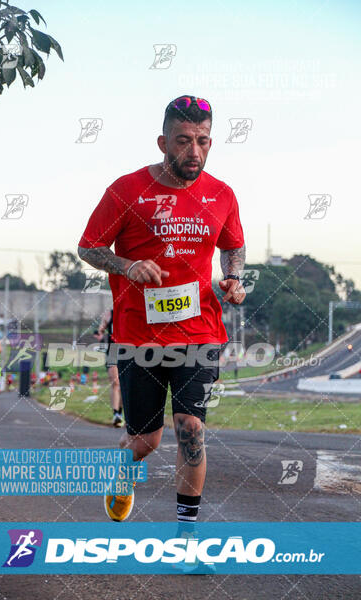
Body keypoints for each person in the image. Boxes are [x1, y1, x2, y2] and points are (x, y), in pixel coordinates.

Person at [78, 95, 246, 523]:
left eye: (203, 141)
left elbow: (234, 246)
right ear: (162, 142)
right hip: (138, 334)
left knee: (191, 429)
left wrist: (233, 276)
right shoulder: (126, 189)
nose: (194, 152)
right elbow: (89, 247)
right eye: (183, 141)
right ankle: (121, 471)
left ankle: (186, 538)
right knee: (146, 441)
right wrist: (127, 265)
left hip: (199, 330)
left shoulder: (222, 194)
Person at [93, 308, 124, 427]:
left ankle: (121, 413)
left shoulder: (130, 311)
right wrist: (100, 332)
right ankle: (116, 415)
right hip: (113, 350)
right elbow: (101, 328)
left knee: (123, 384)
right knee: (115, 382)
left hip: (129, 349)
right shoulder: (109, 313)